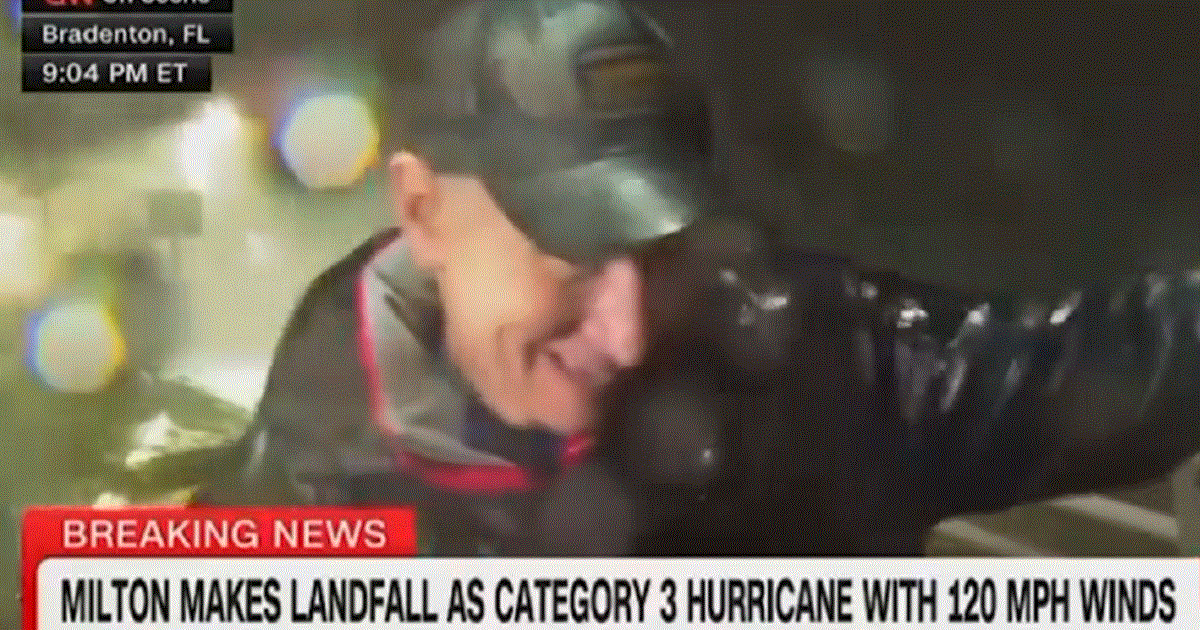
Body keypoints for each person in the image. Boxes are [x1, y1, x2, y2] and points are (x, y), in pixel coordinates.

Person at [198, 0, 1200, 557]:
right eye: (577, 251)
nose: (630, 333)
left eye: (661, 248)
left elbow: (1124, 361)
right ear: (422, 213)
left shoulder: (822, 368)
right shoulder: (314, 438)